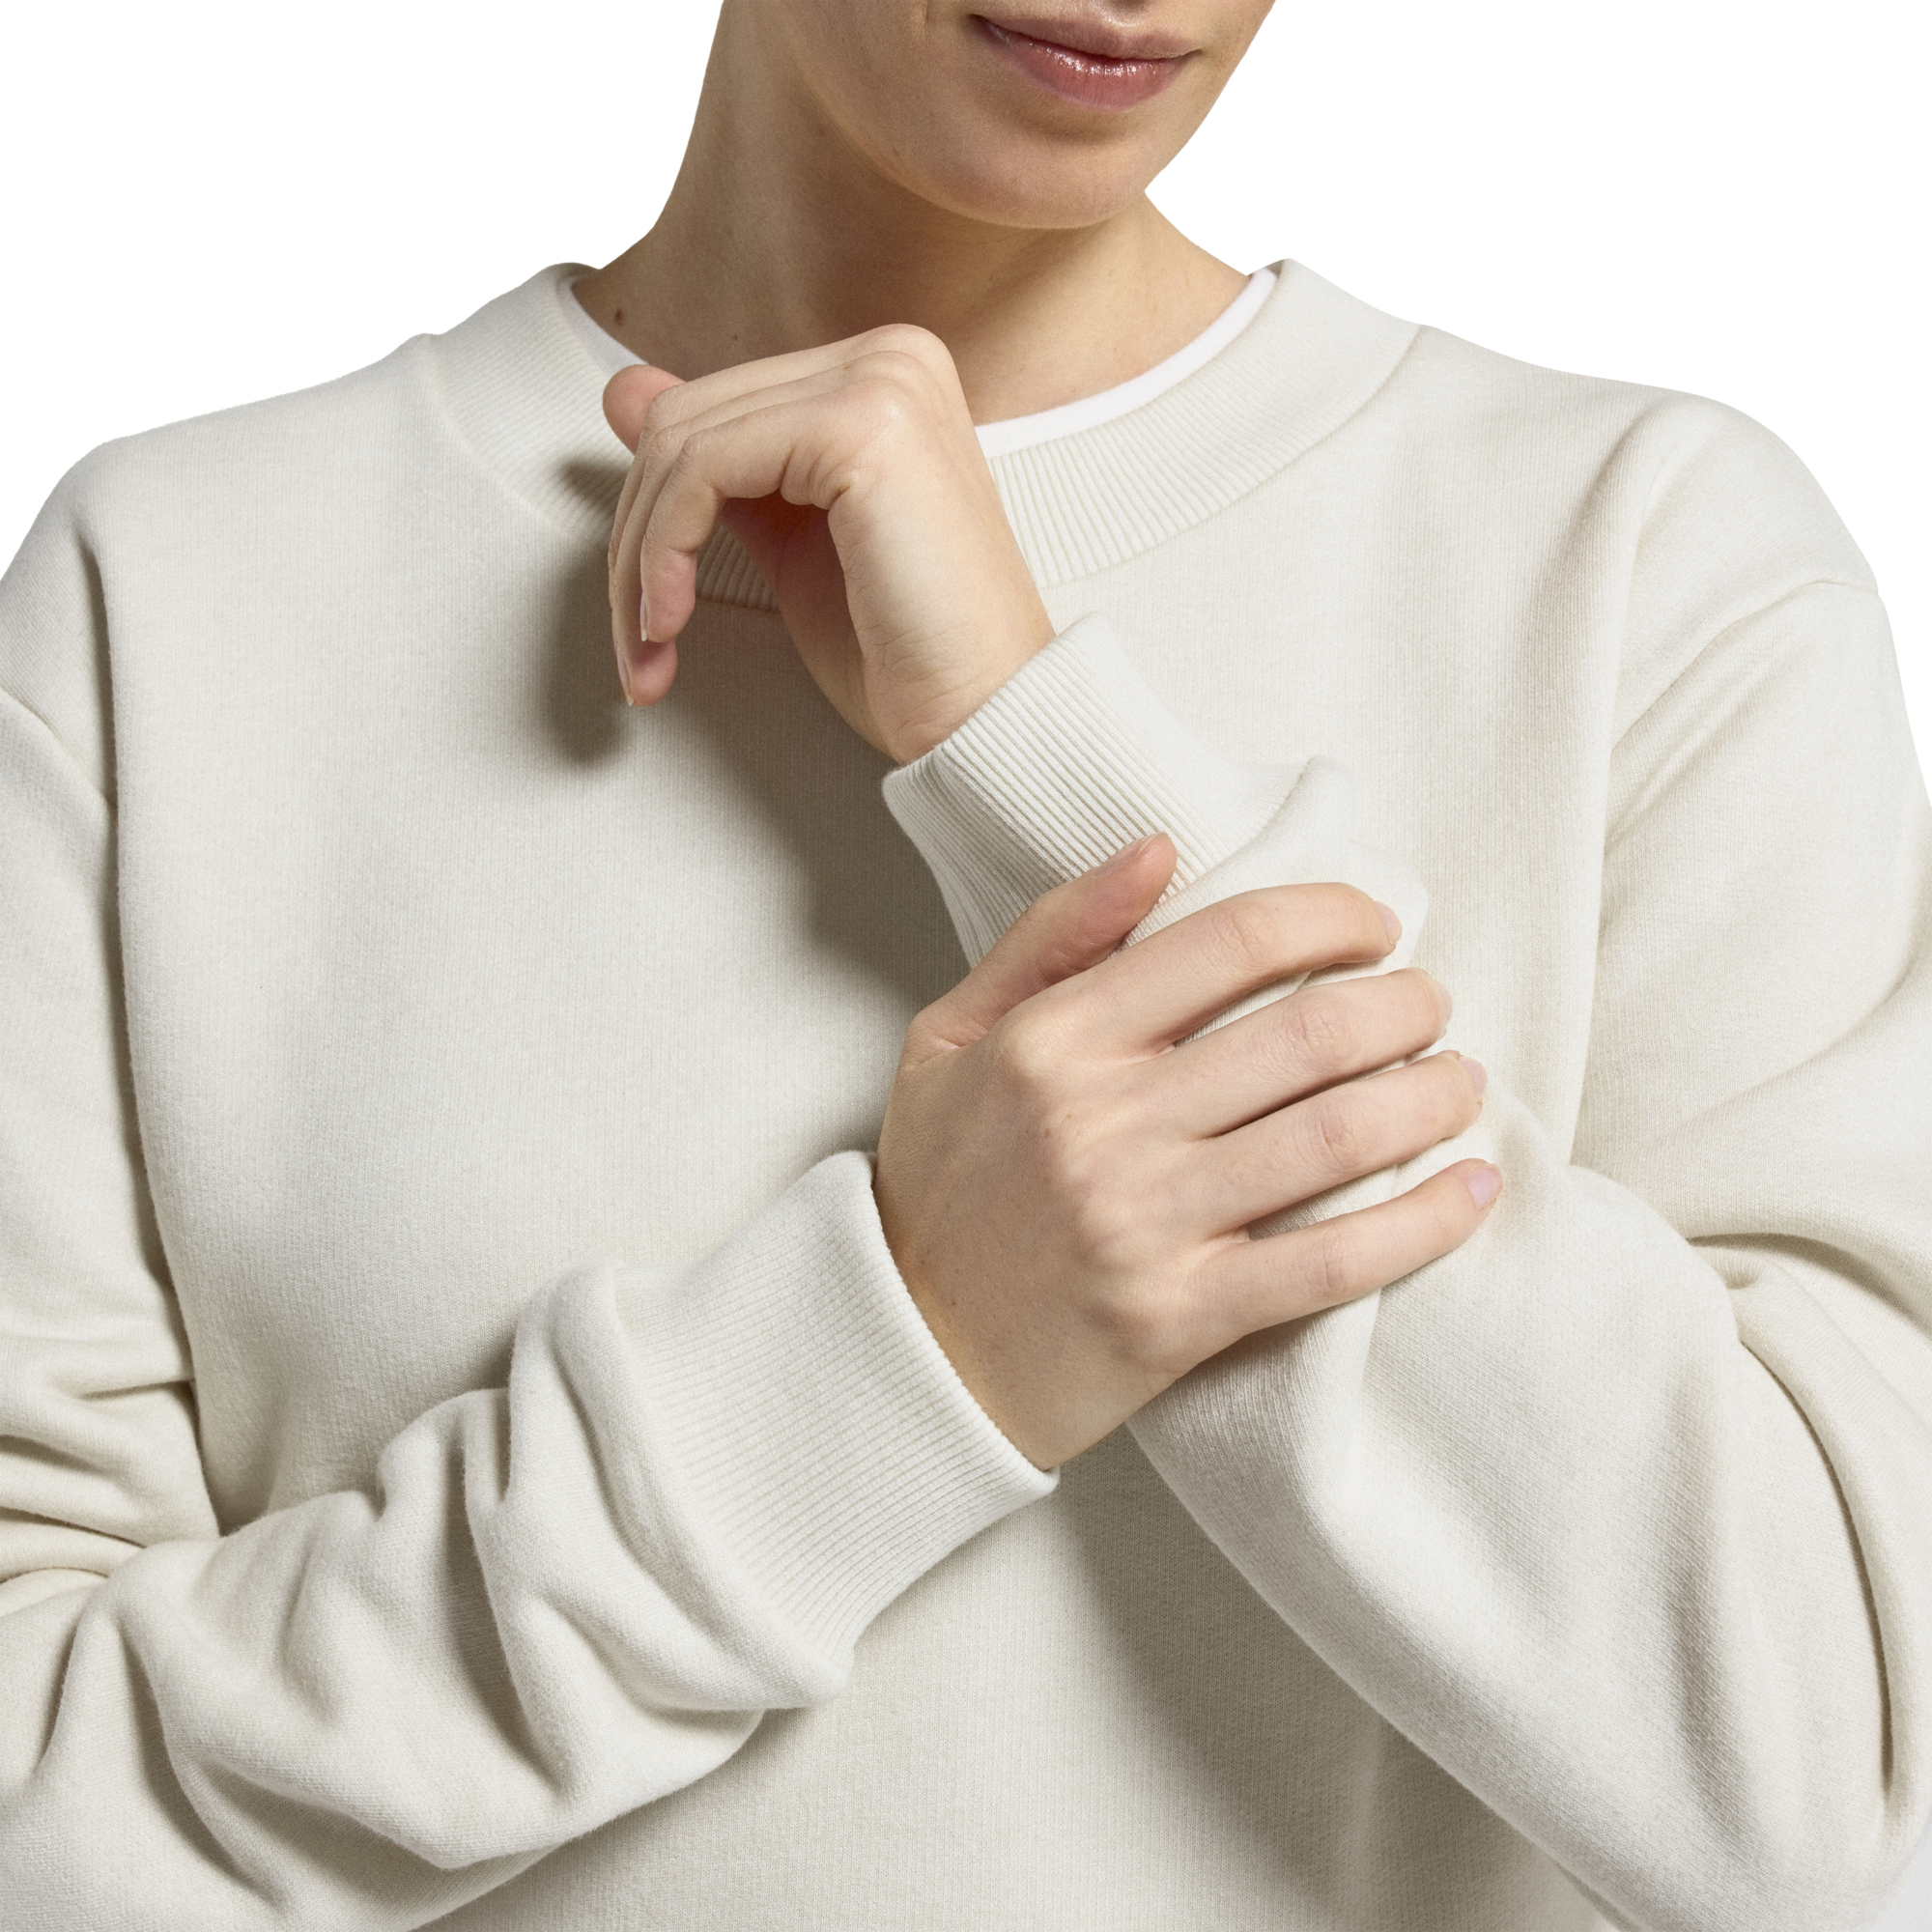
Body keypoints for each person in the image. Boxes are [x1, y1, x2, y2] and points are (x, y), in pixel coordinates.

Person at [2, 1, 1927, 1926]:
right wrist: (900, 1358)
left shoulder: (1649, 558)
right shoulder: (167, 588)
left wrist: (1029, 746)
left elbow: (1838, 1809)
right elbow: (40, 1823)